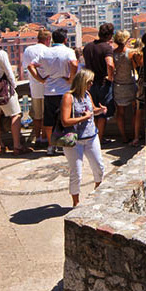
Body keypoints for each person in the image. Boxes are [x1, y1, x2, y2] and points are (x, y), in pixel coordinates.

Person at [59, 68, 106, 207]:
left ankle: (96, 193)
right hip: (74, 140)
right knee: (76, 173)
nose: (91, 85)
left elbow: (91, 110)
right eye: (89, 82)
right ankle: (76, 202)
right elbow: (65, 120)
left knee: (99, 167)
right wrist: (83, 118)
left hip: (91, 136)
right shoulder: (69, 97)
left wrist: (100, 110)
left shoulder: (87, 94)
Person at [28, 28, 77, 156]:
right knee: (66, 118)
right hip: (65, 91)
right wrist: (71, 79)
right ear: (65, 39)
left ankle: (51, 145)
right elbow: (75, 64)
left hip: (49, 91)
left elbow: (30, 66)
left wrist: (40, 79)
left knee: (49, 120)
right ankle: (66, 143)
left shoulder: (45, 52)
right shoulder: (68, 51)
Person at [82, 23, 116, 142]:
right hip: (102, 83)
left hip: (88, 83)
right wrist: (110, 77)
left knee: (93, 110)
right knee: (102, 111)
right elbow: (110, 64)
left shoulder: (87, 47)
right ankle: (99, 139)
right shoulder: (106, 48)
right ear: (110, 35)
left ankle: (93, 136)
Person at [22, 28, 52, 149]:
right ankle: (44, 138)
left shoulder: (28, 50)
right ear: (48, 39)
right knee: (46, 115)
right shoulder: (48, 51)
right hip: (47, 87)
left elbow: (26, 67)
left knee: (37, 116)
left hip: (34, 87)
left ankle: (37, 137)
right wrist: (42, 79)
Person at [111, 30, 141, 145]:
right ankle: (135, 135)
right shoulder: (130, 53)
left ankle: (123, 136)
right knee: (134, 111)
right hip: (130, 84)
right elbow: (135, 67)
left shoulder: (113, 53)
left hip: (118, 85)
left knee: (120, 112)